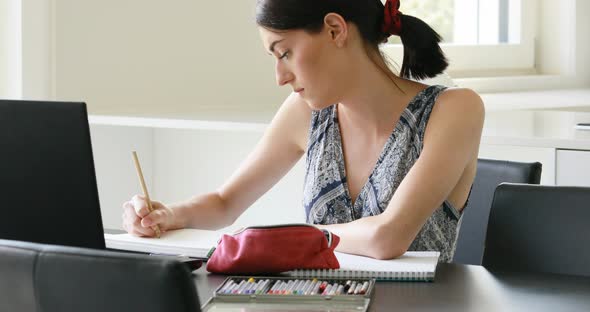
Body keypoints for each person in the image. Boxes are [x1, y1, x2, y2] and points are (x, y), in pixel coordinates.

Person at [122, 0, 484, 262]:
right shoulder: (307, 113)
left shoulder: (455, 109)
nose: (280, 77)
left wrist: (285, 241)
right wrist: (168, 215)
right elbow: (225, 203)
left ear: (334, 29)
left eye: (284, 53)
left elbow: (387, 237)